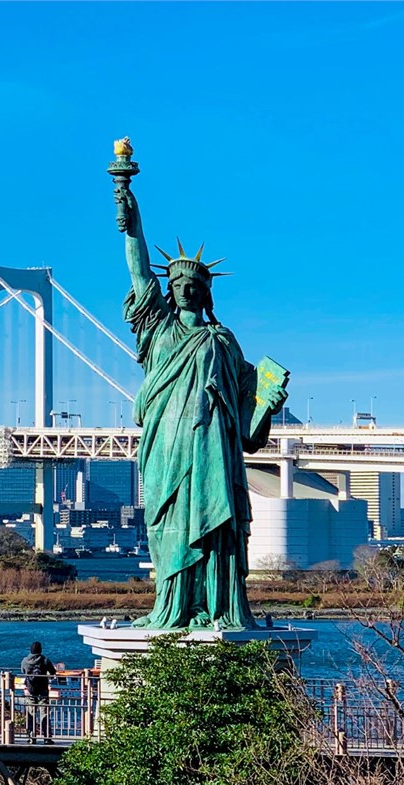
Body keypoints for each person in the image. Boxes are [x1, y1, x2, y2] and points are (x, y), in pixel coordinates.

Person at [113, 160, 287, 630]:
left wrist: (268, 406)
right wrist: (133, 219)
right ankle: (171, 607)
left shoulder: (224, 342)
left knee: (218, 527)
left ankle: (220, 606)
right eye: (177, 285)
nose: (186, 290)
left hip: (214, 445)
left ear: (206, 293)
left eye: (194, 285)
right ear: (168, 291)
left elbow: (250, 431)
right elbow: (137, 272)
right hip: (168, 443)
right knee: (169, 525)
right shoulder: (159, 328)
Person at [20, 641, 58, 744]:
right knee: (44, 713)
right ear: (40, 650)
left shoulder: (25, 661)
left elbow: (23, 671)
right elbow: (53, 672)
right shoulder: (45, 660)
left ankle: (32, 737)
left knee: (31, 713)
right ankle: (46, 738)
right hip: (43, 691)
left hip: (30, 690)